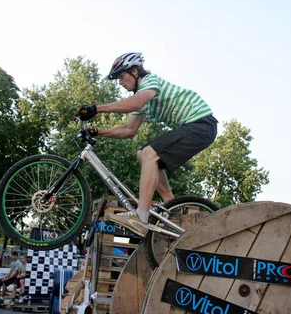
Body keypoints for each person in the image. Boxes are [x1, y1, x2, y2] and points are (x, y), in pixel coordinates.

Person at [75, 52, 217, 237]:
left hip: (201, 123)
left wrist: (96, 108)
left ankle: (140, 216)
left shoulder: (150, 81)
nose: (120, 82)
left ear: (135, 71)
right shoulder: (144, 99)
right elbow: (128, 129)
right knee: (144, 155)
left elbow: (136, 103)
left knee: (150, 153)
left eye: (121, 76)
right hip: (195, 128)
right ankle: (172, 206)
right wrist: (97, 131)